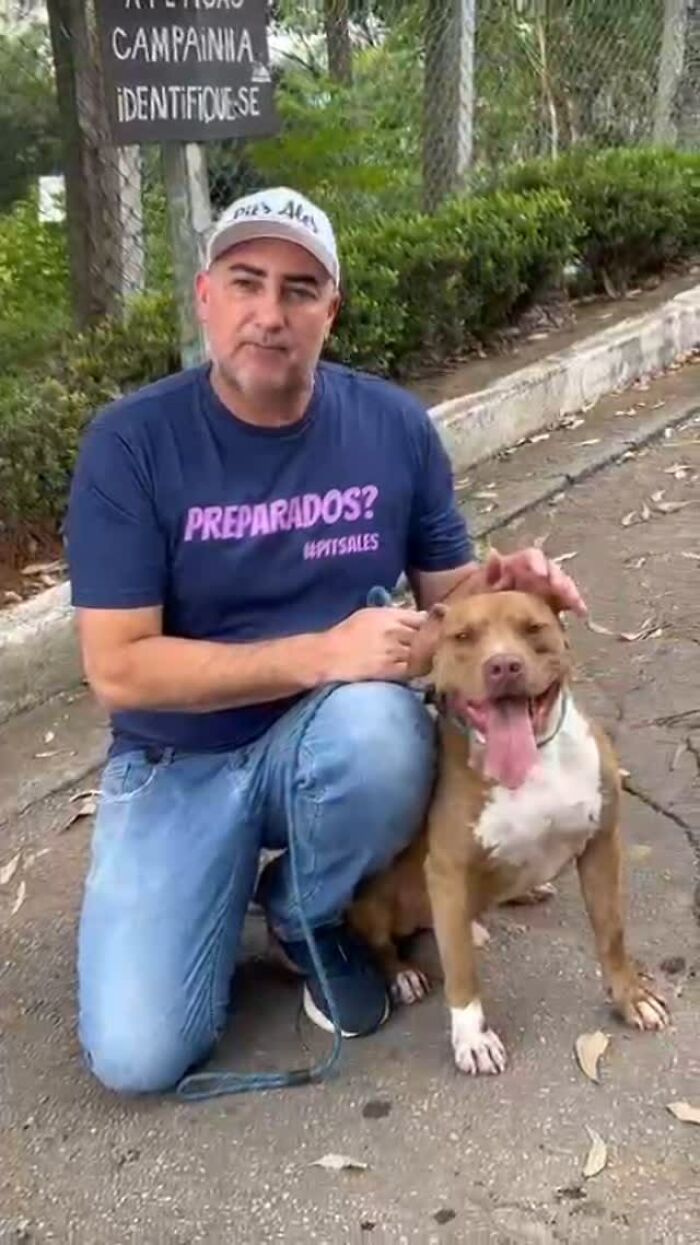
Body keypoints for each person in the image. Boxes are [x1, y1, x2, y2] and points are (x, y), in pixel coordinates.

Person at [65, 185, 586, 1096]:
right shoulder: (132, 444)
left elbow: (446, 599)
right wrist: (321, 651)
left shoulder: (392, 427)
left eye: (301, 290)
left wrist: (509, 587)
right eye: (247, 282)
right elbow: (117, 668)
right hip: (176, 762)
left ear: (330, 310)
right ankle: (212, 879)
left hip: (336, 749)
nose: (270, 314)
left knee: (381, 727)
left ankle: (304, 908)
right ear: (204, 296)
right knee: (137, 1055)